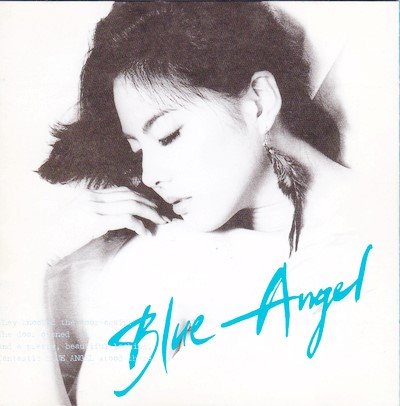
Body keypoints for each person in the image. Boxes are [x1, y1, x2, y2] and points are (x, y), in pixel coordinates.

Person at [38, 2, 375, 405]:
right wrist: (46, 251)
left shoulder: (377, 240)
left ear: (259, 101)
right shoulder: (158, 255)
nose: (149, 174)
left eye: (167, 136)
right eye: (137, 150)